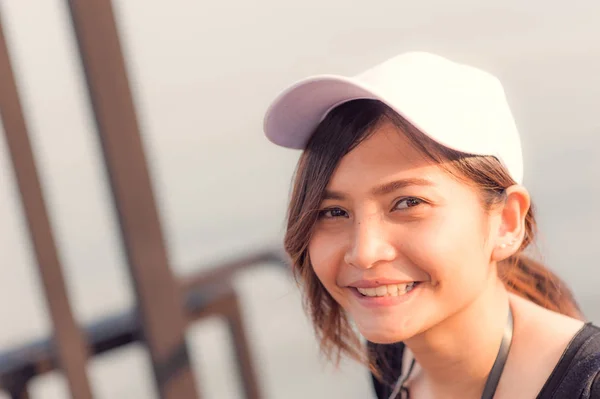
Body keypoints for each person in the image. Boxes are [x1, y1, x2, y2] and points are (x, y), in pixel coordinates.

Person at [262, 52, 600, 398]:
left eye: (408, 203)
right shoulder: (393, 354)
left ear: (506, 222)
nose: (364, 253)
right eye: (333, 212)